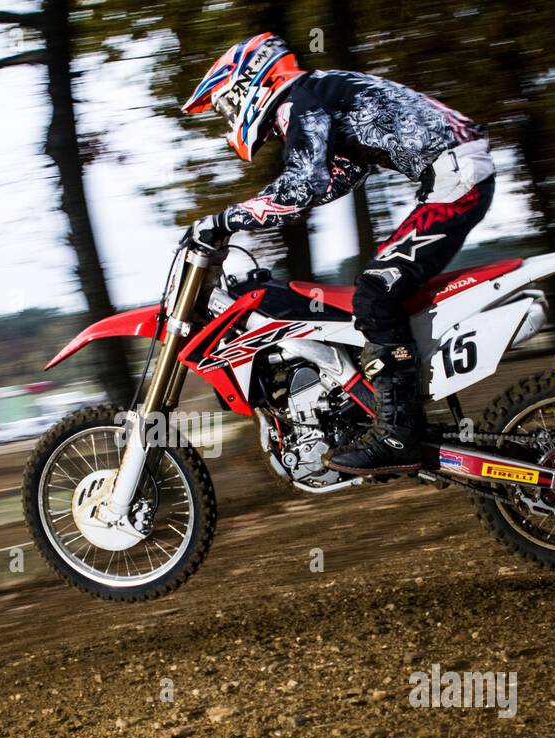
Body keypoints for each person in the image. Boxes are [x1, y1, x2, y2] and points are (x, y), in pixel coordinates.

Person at [182, 33, 495, 475]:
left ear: (252, 82)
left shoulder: (302, 99)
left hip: (455, 180)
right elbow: (337, 177)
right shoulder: (322, 92)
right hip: (453, 175)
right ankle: (387, 411)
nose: (229, 118)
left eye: (228, 106)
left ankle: (398, 434)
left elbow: (303, 184)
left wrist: (223, 221)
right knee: (377, 289)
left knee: (374, 293)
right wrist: (259, 212)